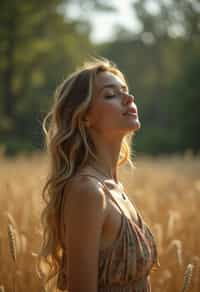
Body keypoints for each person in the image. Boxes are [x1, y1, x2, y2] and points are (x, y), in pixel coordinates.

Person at [37, 57, 160, 292]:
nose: (129, 98)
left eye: (125, 90)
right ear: (84, 116)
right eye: (110, 95)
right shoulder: (88, 191)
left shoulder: (114, 186)